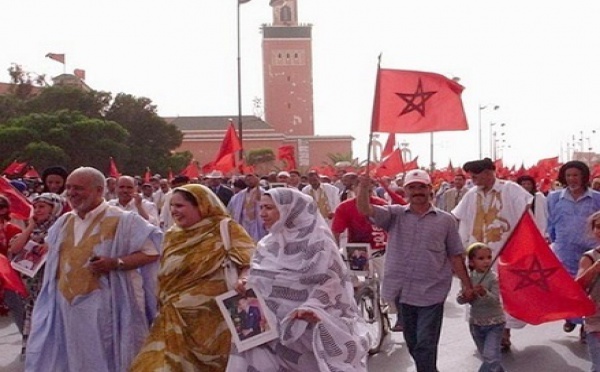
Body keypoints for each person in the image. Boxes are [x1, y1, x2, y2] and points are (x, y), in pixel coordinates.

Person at [25, 167, 163, 372]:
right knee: (70, 359)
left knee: (106, 359)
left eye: (79, 188)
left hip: (106, 307)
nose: (71, 193)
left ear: (99, 191)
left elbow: (153, 251)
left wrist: (116, 262)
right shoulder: (63, 222)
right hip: (67, 307)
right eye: (69, 187)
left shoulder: (125, 220)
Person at [227, 187, 370, 372]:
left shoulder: (319, 244)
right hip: (269, 335)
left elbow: (332, 282)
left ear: (291, 209)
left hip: (306, 333)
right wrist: (246, 285)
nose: (262, 213)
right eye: (261, 207)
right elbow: (259, 280)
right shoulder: (266, 245)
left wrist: (311, 307)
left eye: (269, 208)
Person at [357, 170, 474, 372]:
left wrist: (467, 284)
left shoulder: (446, 220)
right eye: (412, 187)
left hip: (433, 291)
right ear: (405, 191)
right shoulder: (394, 214)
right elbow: (365, 209)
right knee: (412, 341)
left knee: (426, 342)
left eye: (422, 187)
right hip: (402, 291)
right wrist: (363, 187)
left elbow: (455, 255)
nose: (417, 191)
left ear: (430, 189)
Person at [131, 184, 255, 371]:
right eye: (171, 205)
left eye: (180, 206)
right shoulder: (173, 234)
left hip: (215, 322)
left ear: (201, 205)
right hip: (173, 318)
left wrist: (244, 279)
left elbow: (250, 261)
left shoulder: (225, 228)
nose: (173, 211)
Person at [452, 158, 533, 351]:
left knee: (502, 296)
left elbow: (526, 217)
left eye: (476, 175)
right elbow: (460, 221)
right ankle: (486, 331)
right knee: (479, 293)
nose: (473, 179)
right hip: (478, 257)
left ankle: (502, 333)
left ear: (490, 172)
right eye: (471, 176)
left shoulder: (511, 190)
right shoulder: (471, 195)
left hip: (507, 255)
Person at [547, 160, 600, 337]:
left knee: (590, 287)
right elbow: (550, 224)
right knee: (569, 287)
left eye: (576, 175)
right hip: (564, 250)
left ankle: (587, 324)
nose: (572, 179)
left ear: (584, 177)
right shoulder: (554, 198)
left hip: (590, 250)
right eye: (568, 175)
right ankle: (571, 317)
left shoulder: (596, 198)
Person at [8, 193, 63, 356]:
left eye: (42, 207)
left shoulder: (61, 229)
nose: (37, 210)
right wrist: (30, 227)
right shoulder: (32, 229)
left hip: (53, 285)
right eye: (36, 207)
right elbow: (15, 249)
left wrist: (51, 245)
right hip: (32, 288)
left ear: (54, 209)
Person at [458, 243, 506, 372]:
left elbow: (496, 300)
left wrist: (485, 293)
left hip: (495, 323)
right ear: (472, 262)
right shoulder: (467, 279)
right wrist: (465, 296)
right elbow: (460, 299)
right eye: (481, 258)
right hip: (476, 324)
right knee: (488, 357)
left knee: (491, 356)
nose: (486, 261)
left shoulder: (493, 278)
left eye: (489, 257)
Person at [576, 211, 600, 370]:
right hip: (596, 319)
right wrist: (595, 268)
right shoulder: (589, 257)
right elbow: (577, 287)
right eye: (598, 226)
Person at [227, 173, 267, 242]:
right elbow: (230, 212)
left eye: (251, 176)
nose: (248, 179)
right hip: (243, 227)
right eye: (247, 177)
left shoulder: (265, 194)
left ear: (257, 178)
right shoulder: (238, 196)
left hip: (259, 228)